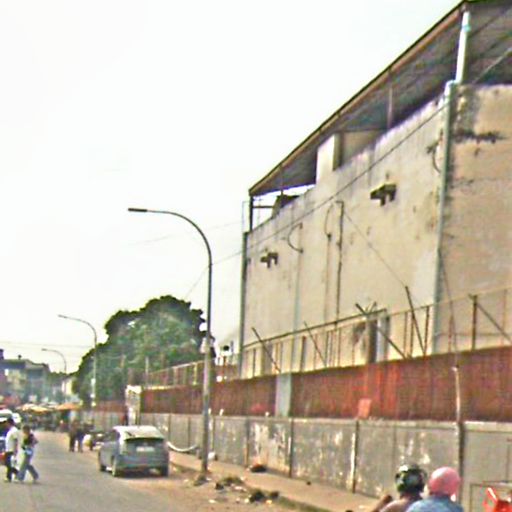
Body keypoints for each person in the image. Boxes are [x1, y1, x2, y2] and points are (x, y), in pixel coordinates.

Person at [4, 418, 20, 482]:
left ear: (9, 423)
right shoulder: (10, 430)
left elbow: (16, 440)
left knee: (9, 463)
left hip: (11, 450)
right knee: (7, 463)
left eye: (6, 423)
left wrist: (15, 450)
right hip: (8, 449)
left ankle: (11, 476)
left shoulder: (14, 430)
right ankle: (16, 474)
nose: (5, 424)